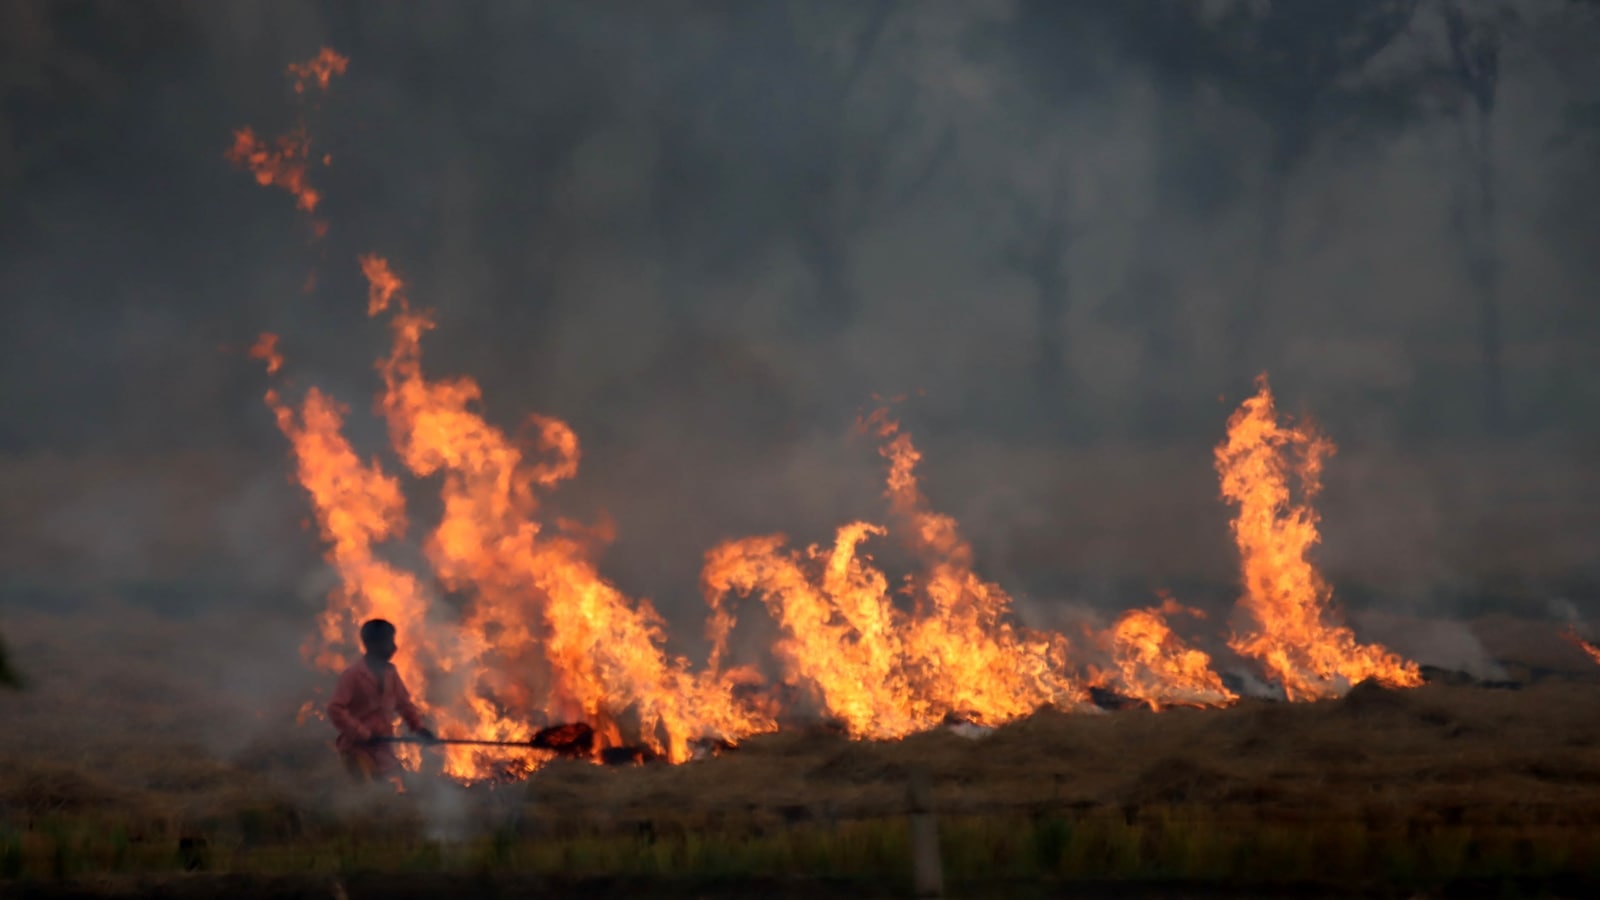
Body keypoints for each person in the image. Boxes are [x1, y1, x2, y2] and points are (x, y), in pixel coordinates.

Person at [327, 618, 435, 789]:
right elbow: (335, 709)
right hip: (357, 750)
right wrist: (362, 733)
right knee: (369, 795)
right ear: (373, 644)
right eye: (389, 641)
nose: (394, 647)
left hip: (383, 749)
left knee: (399, 790)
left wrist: (419, 728)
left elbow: (404, 704)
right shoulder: (352, 675)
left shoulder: (391, 673)